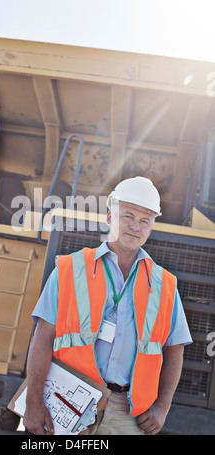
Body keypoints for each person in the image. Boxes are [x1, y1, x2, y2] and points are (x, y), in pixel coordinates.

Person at [23, 176, 192, 436]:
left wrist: (162, 407)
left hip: (127, 414)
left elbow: (174, 351)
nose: (135, 226)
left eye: (144, 220)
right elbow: (42, 337)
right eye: (128, 216)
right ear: (110, 216)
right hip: (67, 400)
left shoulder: (165, 285)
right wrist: (32, 401)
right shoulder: (70, 269)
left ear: (150, 228)